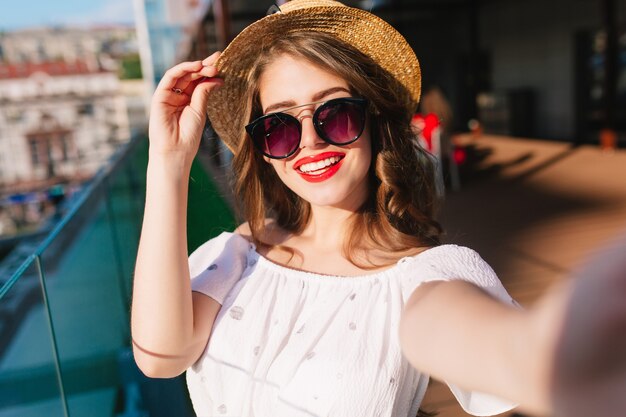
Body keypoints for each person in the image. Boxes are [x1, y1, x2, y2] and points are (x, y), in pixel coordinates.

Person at [131, 1, 626, 417]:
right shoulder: (236, 255)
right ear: (262, 146)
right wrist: (168, 163)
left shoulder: (419, 277)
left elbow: (469, 333)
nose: (309, 142)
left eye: (337, 113)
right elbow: (160, 358)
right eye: (280, 126)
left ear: (374, 121)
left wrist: (548, 352)